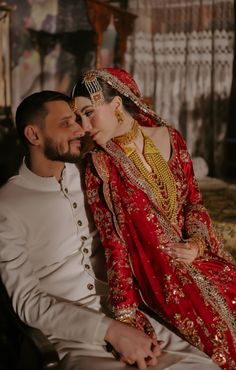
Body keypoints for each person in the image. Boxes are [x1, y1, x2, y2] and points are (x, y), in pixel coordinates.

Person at [0, 90, 221, 370]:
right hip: (72, 336)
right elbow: (27, 302)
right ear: (34, 135)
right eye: (67, 123)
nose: (80, 129)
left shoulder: (95, 172)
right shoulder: (7, 205)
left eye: (79, 120)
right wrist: (110, 331)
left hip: (134, 314)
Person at [71, 68, 236, 370]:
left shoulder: (171, 137)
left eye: (88, 113)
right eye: (78, 118)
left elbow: (194, 203)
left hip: (202, 259)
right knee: (222, 340)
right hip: (160, 280)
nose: (83, 126)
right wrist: (125, 315)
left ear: (116, 105)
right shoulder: (100, 163)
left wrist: (198, 243)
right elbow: (114, 243)